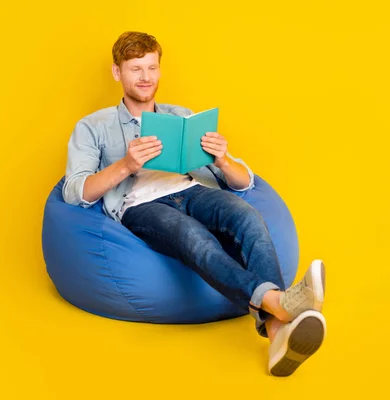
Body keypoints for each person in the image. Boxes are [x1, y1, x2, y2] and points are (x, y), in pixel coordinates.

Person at [62, 31, 327, 376]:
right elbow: (74, 191)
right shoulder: (93, 126)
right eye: (135, 69)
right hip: (139, 205)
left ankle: (277, 330)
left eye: (152, 68)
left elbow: (246, 183)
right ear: (117, 73)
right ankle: (277, 302)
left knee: (247, 216)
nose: (146, 78)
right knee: (192, 236)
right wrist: (126, 166)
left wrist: (221, 160)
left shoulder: (181, 116)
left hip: (191, 190)